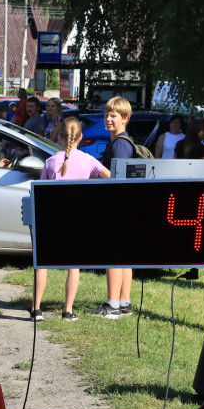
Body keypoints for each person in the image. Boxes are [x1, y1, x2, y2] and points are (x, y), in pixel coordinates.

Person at [32, 116, 110, 322]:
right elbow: (111, 177)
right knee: (73, 265)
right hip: (77, 218)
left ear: (60, 136)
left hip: (51, 218)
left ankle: (36, 309)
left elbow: (40, 193)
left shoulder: (50, 161)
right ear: (81, 137)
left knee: (42, 264)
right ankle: (67, 311)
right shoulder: (88, 160)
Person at [89, 96, 136, 319]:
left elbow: (117, 178)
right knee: (124, 256)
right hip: (127, 205)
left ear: (125, 119)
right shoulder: (123, 141)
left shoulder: (119, 144)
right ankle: (124, 303)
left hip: (119, 205)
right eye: (107, 114)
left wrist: (97, 171)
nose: (108, 119)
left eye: (114, 115)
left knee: (114, 255)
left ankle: (113, 305)